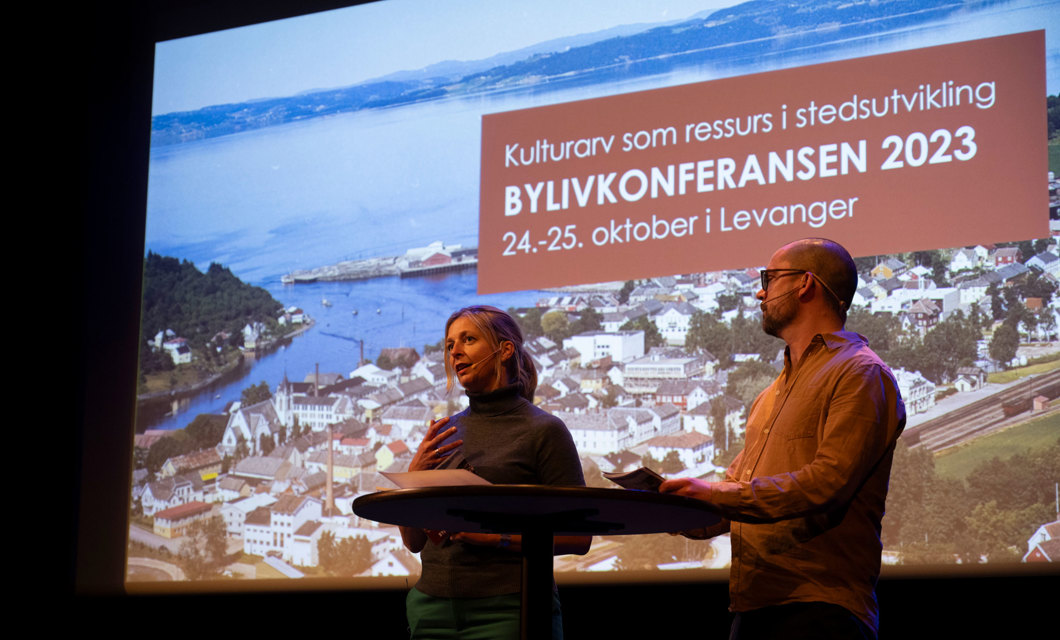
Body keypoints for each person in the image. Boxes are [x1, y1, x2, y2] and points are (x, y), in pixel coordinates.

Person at [660, 238, 906, 639]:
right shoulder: (770, 394)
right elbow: (736, 495)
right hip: (755, 606)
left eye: (769, 279)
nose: (761, 291)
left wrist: (714, 495)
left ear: (805, 284)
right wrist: (674, 509)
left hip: (821, 609)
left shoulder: (860, 374)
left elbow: (828, 483)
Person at [400, 305, 591, 639]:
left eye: (468, 339)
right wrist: (413, 477)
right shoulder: (444, 432)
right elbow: (414, 541)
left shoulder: (544, 430)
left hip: (510, 608)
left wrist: (495, 539)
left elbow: (579, 538)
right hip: (430, 608)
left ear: (504, 350)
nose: (455, 351)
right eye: (449, 345)